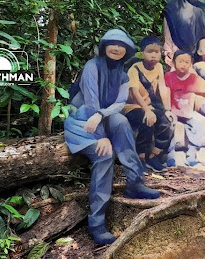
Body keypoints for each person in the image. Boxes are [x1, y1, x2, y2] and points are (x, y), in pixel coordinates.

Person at [64, 29, 160, 245]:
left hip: (101, 117)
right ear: (104, 46)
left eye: (121, 45)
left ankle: (135, 183)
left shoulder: (122, 74)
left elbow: (118, 103)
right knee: (105, 155)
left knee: (122, 121)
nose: (116, 48)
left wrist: (102, 116)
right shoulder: (92, 66)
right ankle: (96, 224)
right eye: (112, 44)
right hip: (82, 121)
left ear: (127, 49)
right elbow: (90, 102)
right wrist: (101, 137)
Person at [123, 36, 175, 172]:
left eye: (156, 52)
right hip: (132, 107)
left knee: (165, 122)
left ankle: (153, 155)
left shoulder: (158, 67)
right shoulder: (135, 69)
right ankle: (140, 158)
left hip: (150, 106)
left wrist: (167, 109)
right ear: (141, 53)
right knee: (147, 122)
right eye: (149, 51)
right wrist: (146, 110)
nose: (153, 55)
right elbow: (134, 92)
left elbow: (162, 88)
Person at [164, 50, 205, 167]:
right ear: (173, 62)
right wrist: (167, 110)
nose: (183, 64)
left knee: (201, 121)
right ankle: (171, 155)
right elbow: (164, 93)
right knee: (172, 126)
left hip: (188, 111)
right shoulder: (168, 77)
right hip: (173, 111)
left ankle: (193, 152)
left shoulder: (193, 78)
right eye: (180, 61)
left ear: (191, 64)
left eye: (186, 62)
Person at [162, 0, 205, 69]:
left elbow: (204, 35)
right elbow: (168, 37)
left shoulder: (199, 12)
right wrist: (170, 54)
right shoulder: (171, 11)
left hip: (196, 57)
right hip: (177, 56)